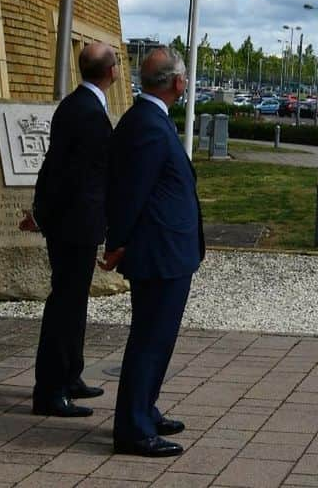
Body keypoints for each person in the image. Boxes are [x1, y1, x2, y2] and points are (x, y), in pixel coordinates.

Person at [102, 47, 204, 458]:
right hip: (158, 253)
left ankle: (144, 408)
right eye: (185, 78)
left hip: (167, 251)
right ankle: (133, 428)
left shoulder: (149, 119)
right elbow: (130, 192)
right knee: (149, 340)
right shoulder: (146, 124)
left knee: (158, 340)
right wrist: (118, 243)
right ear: (178, 83)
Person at [28, 41, 119, 417]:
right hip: (74, 224)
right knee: (64, 305)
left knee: (74, 301)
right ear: (112, 72)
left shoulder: (75, 105)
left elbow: (54, 166)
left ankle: (70, 374)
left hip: (70, 220)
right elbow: (75, 175)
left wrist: (40, 211)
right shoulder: (88, 113)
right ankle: (50, 390)